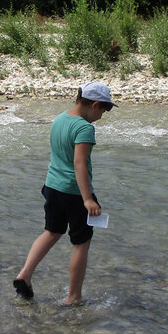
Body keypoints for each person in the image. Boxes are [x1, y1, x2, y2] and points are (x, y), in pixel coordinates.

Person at [14, 81, 114, 306]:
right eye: (104, 110)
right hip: (74, 192)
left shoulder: (59, 119)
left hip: (52, 186)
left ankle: (25, 274)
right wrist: (87, 198)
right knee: (81, 243)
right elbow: (79, 163)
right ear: (95, 104)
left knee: (51, 231)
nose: (103, 115)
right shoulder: (85, 128)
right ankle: (74, 297)